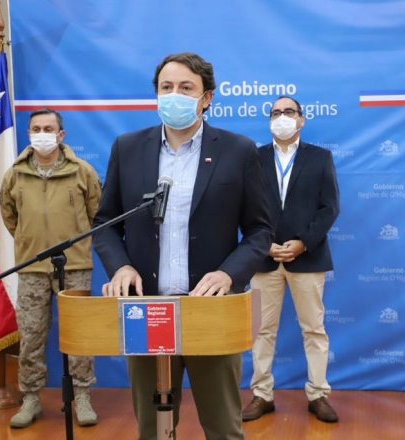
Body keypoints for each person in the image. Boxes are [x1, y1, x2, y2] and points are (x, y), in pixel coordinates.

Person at [92, 52, 273, 440]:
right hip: (147, 309)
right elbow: (105, 225)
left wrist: (228, 274)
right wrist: (121, 266)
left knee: (224, 430)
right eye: (166, 87)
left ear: (206, 98)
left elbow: (260, 231)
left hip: (210, 311)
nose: (174, 95)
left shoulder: (239, 150)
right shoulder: (127, 148)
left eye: (186, 88)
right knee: (153, 430)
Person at [0, 108, 101, 428]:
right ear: (28, 134)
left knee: (79, 334)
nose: (42, 134)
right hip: (31, 267)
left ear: (61, 135)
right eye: (36, 129)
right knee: (31, 335)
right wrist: (30, 243)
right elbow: (10, 217)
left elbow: (96, 213)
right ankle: (31, 398)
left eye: (48, 128)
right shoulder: (15, 174)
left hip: (74, 266)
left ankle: (82, 395)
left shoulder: (82, 171)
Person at [241, 96, 340, 423]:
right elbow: (243, 208)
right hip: (264, 258)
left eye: (288, 112)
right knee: (261, 330)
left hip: (307, 258)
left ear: (301, 119)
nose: (281, 117)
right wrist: (264, 244)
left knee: (314, 329)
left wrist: (303, 243)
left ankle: (318, 394)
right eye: (275, 113)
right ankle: (262, 394)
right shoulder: (254, 157)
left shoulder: (320, 157)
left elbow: (330, 207)